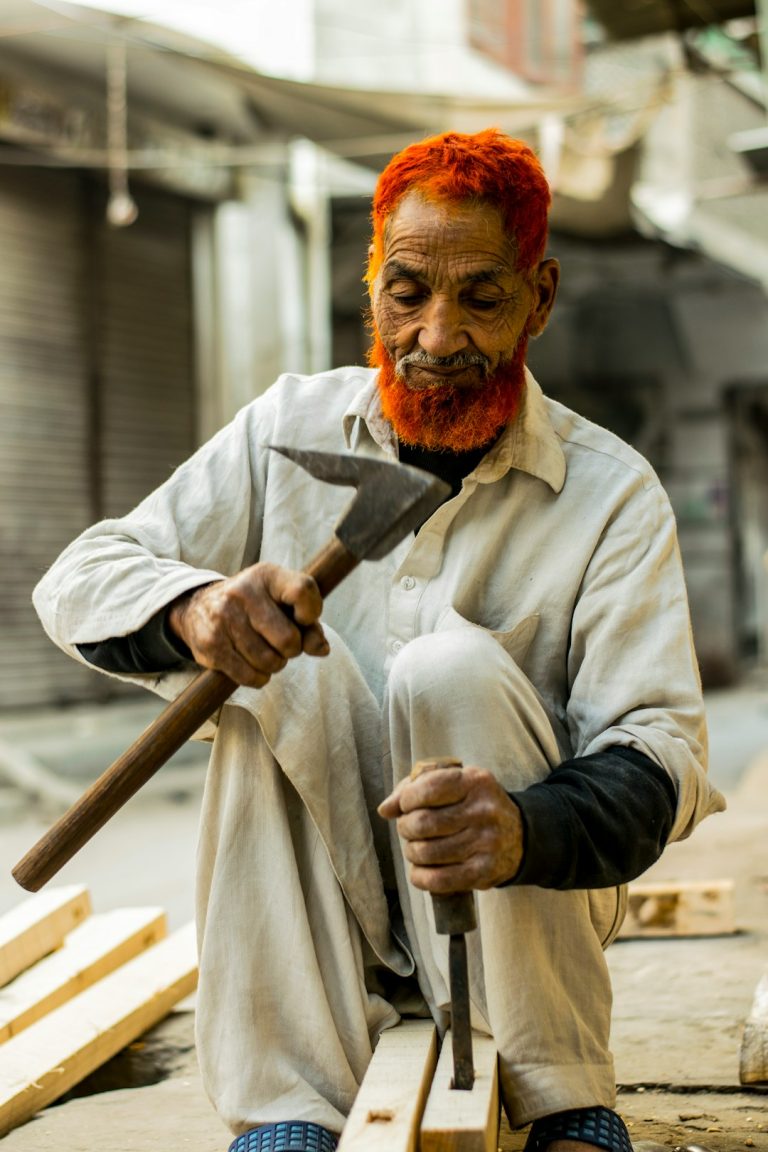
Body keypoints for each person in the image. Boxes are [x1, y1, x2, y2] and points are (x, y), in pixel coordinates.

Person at [33, 129, 724, 1152]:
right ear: (371, 287)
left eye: (481, 298)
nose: (438, 337)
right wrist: (196, 612)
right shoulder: (285, 430)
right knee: (273, 683)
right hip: (314, 922)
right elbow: (80, 578)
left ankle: (557, 1095)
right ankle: (286, 1109)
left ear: (540, 296)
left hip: (509, 941)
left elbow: (665, 755)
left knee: (452, 665)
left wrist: (524, 825)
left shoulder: (609, 491)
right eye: (408, 292)